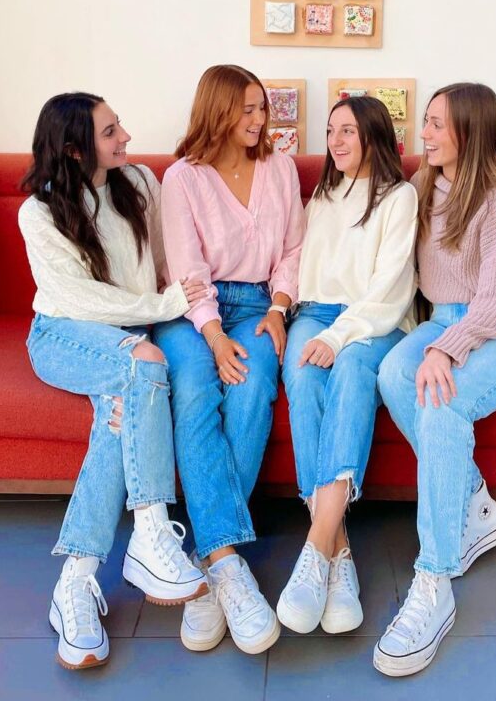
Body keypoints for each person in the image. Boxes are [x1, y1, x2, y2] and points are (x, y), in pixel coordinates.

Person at [18, 92, 208, 671]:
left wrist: (192, 307)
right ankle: (151, 529)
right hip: (65, 335)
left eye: (119, 123)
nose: (125, 136)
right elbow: (76, 298)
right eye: (110, 131)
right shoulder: (40, 212)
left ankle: (75, 580)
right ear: (75, 150)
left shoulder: (141, 185)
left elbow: (173, 256)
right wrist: (162, 302)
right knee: (145, 365)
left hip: (129, 335)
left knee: (119, 411)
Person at [374, 83, 496, 678]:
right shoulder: (426, 185)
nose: (423, 134)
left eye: (436, 125)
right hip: (449, 319)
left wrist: (446, 351)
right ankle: (475, 500)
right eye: (424, 122)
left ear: (469, 134)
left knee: (441, 403)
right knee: (394, 372)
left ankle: (435, 577)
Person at [153, 65, 304, 656]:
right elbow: (188, 272)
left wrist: (281, 310)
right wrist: (214, 338)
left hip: (261, 307)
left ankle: (209, 560)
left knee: (253, 388)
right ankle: (229, 565)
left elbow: (293, 248)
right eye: (246, 109)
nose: (258, 120)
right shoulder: (182, 179)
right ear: (215, 111)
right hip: (194, 313)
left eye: (261, 108)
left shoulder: (281, 168)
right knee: (195, 394)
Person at [276, 96, 417, 636]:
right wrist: (287, 314)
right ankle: (340, 556)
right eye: (331, 131)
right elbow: (301, 265)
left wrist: (340, 336)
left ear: (374, 136)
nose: (335, 142)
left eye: (348, 132)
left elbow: (389, 290)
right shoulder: (324, 192)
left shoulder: (399, 196)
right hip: (315, 311)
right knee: (303, 372)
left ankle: (314, 549)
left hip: (374, 319)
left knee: (356, 371)